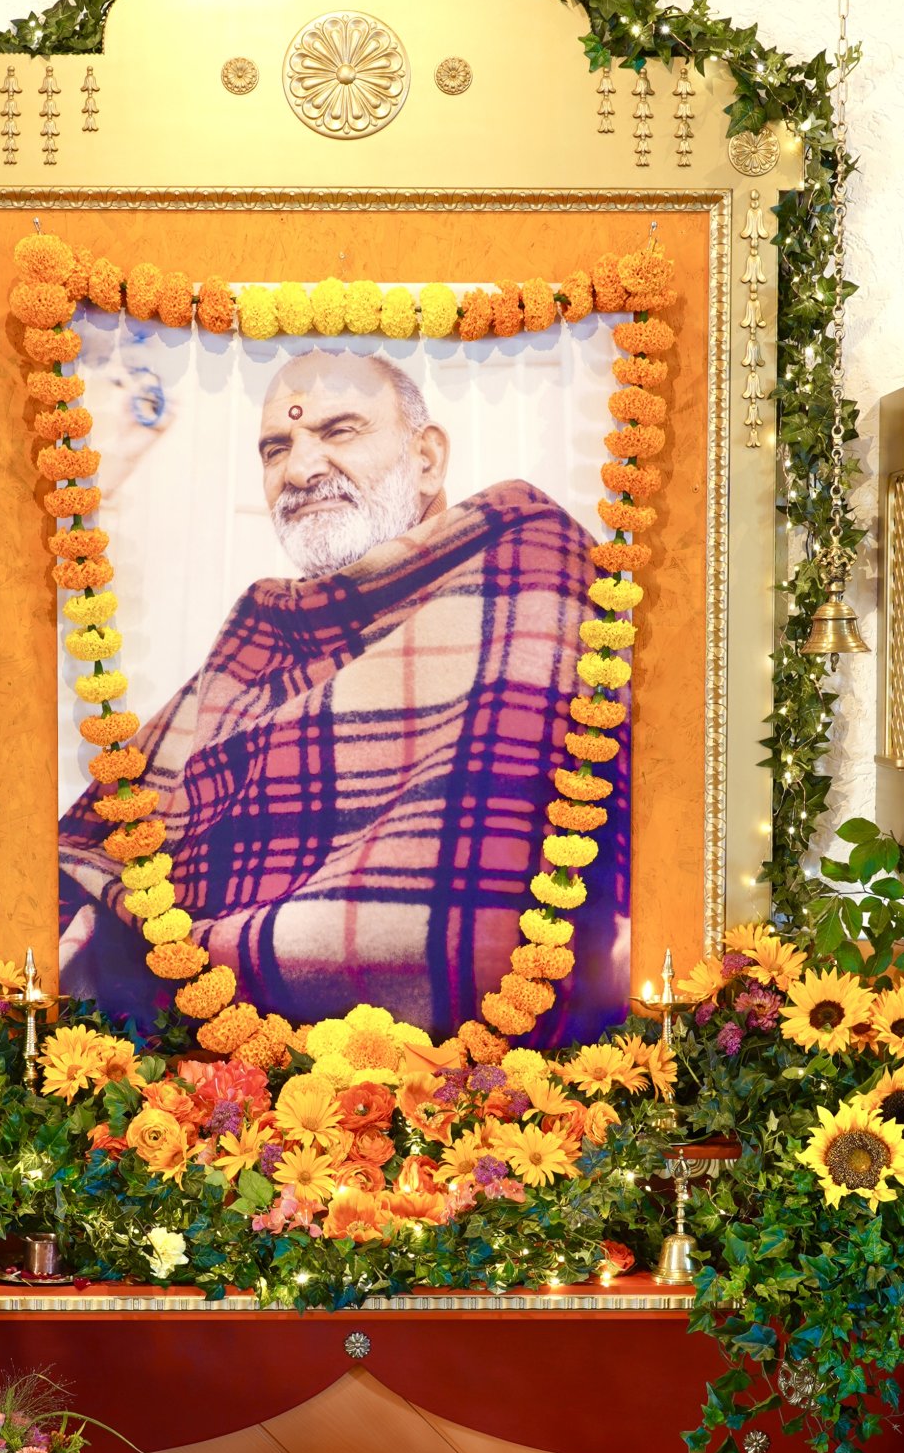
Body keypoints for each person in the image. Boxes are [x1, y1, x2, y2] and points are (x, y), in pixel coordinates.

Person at [57, 348, 629, 1042]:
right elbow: (111, 840)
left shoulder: (530, 563)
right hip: (217, 1052)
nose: (300, 470)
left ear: (427, 458)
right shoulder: (265, 630)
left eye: (339, 430)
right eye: (276, 448)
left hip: (503, 1063)